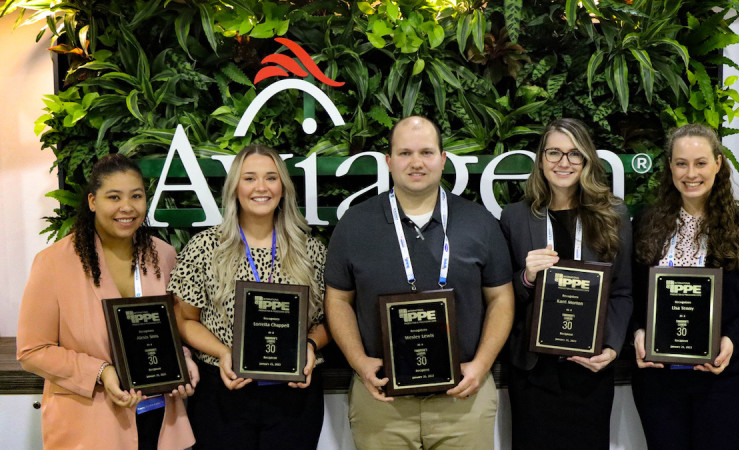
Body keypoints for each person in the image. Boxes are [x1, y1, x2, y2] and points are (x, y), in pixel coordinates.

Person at [324, 115, 514, 449]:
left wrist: (481, 365)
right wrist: (358, 361)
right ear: (389, 161)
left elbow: (501, 298)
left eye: (426, 152)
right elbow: (338, 300)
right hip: (382, 402)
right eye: (405, 153)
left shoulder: (480, 222)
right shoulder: (354, 224)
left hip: (463, 401)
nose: (416, 163)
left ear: (443, 160)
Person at [17, 154, 196, 450]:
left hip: (161, 420)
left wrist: (185, 362)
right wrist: (101, 372)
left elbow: (173, 331)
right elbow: (32, 350)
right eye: (114, 197)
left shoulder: (163, 255)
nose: (127, 207)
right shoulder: (54, 263)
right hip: (90, 427)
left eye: (136, 196)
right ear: (92, 201)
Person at [630, 123, 739, 449]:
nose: (691, 173)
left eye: (700, 162)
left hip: (724, 380)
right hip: (659, 381)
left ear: (718, 163)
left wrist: (732, 340)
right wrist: (639, 333)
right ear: (670, 166)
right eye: (681, 163)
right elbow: (631, 295)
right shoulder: (646, 222)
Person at [169, 144, 329, 449]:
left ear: (283, 187)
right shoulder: (205, 247)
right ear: (235, 188)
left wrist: (310, 345)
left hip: (295, 397)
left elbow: (328, 322)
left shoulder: (310, 251)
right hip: (223, 391)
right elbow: (186, 320)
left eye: (271, 178)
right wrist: (223, 353)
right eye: (250, 178)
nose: (261, 187)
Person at [499, 118, 633, 449]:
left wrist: (612, 347)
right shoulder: (515, 217)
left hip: (589, 367)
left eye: (574, 154)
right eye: (554, 153)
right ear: (541, 159)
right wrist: (526, 277)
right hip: (532, 371)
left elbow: (624, 291)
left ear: (587, 160)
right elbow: (500, 296)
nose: (564, 163)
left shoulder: (612, 214)